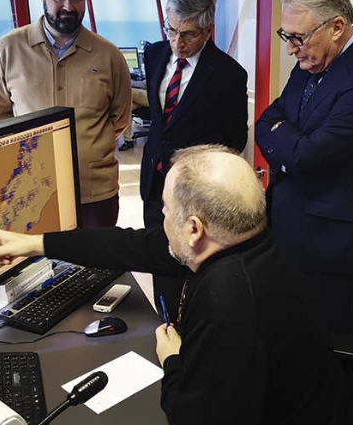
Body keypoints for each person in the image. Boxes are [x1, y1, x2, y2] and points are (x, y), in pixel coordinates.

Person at [0, 145, 349, 425]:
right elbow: (129, 245)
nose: (162, 217)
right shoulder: (245, 243)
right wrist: (36, 244)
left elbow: (193, 417)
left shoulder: (230, 305)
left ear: (193, 228)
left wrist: (173, 360)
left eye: (167, 209)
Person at [254, 0, 353, 396]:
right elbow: (266, 120)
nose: (291, 48)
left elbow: (307, 157)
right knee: (287, 350)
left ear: (336, 27)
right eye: (287, 36)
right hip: (284, 228)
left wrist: (290, 150)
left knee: (328, 361)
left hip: (328, 249)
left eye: (298, 37)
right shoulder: (310, 63)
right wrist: (291, 149)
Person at [140, 0, 248, 321]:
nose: (177, 42)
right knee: (158, 257)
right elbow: (161, 122)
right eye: (171, 30)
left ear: (207, 30)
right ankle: (165, 325)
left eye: (187, 34)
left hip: (195, 192)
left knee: (192, 267)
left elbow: (234, 141)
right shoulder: (155, 54)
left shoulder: (229, 74)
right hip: (154, 181)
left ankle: (192, 336)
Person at [0, 0, 132, 229]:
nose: (68, 7)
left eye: (77, 0)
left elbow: (120, 119)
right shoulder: (6, 50)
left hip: (94, 193)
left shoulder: (109, 55)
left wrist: (89, 150)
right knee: (38, 264)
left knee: (97, 262)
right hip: (30, 192)